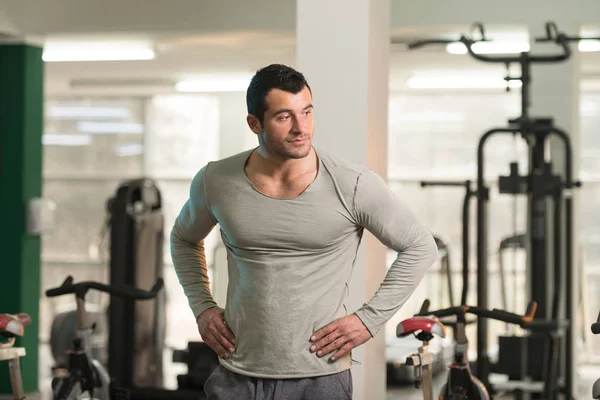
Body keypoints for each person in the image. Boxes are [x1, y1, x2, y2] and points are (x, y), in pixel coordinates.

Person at [170, 63, 438, 400]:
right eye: (284, 117)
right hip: (237, 374)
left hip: (320, 378)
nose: (301, 128)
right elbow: (183, 238)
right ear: (255, 123)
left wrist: (368, 320)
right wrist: (202, 306)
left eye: (307, 112)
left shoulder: (352, 184)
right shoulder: (216, 181)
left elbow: (419, 246)